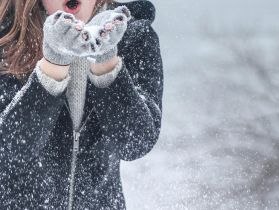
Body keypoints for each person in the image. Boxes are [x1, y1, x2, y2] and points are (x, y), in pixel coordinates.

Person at [0, 0, 163, 209]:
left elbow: (135, 143)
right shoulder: (8, 38)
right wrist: (54, 63)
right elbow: (11, 148)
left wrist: (105, 61)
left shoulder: (133, 37)